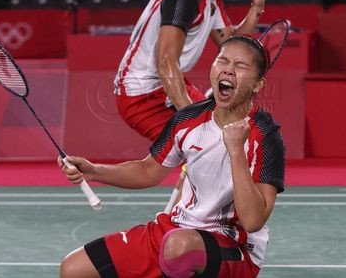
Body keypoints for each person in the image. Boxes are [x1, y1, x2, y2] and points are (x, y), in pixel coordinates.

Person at [59, 34, 285, 278]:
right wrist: (94, 171)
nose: (228, 70)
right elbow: (148, 170)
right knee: (74, 269)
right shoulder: (188, 118)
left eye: (240, 66)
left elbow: (253, 221)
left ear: (258, 84)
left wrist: (236, 150)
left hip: (232, 245)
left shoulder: (266, 136)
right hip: (176, 229)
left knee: (179, 248)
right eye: (222, 61)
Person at [114, 0, 270, 142]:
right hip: (140, 96)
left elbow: (233, 44)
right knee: (206, 145)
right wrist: (190, 118)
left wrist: (257, 7)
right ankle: (89, 170)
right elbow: (166, 61)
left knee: (217, 140)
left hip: (166, 85)